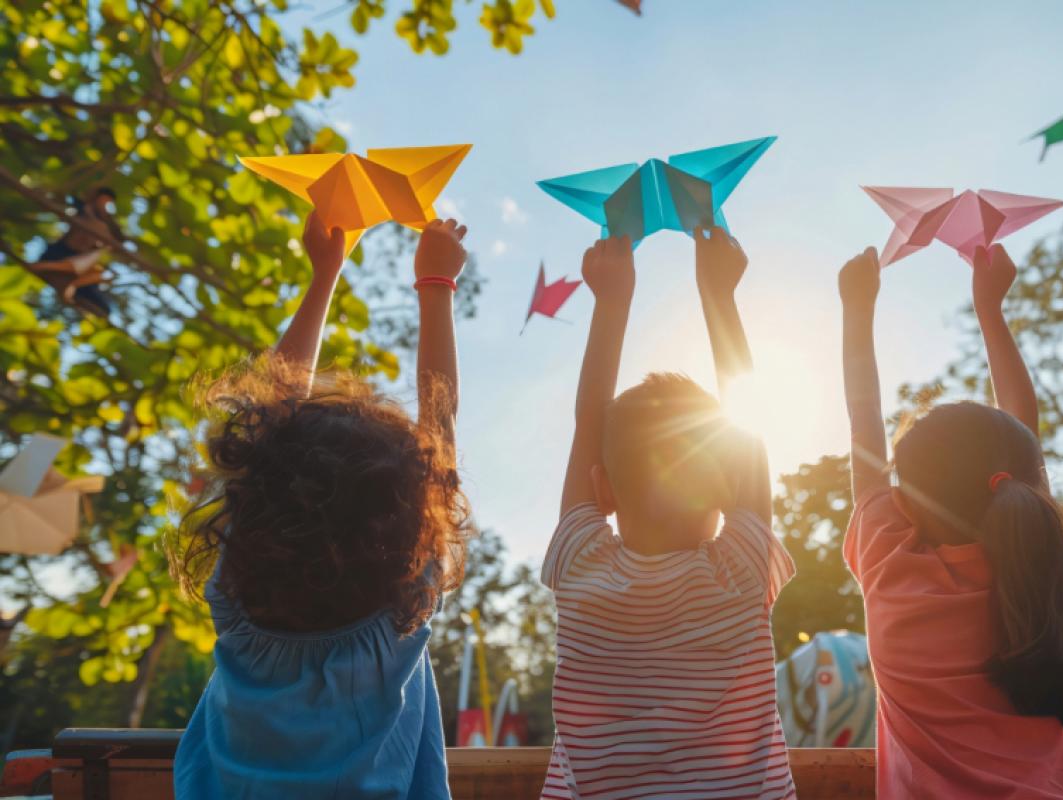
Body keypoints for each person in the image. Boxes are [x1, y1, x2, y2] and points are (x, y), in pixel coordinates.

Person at [169, 213, 473, 799]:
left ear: (257, 496)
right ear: (409, 515)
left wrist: (323, 275)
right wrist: (436, 287)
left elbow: (270, 417)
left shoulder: (234, 602)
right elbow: (442, 423)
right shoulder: (400, 611)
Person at [837, 243, 1063, 798]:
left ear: (908, 501)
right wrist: (990, 307)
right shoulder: (1037, 564)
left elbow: (864, 419)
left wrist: (857, 309)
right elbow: (1020, 440)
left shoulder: (890, 567)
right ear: (1020, 479)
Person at [540, 228, 797, 799]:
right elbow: (749, 421)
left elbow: (588, 425)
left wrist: (611, 302)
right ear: (728, 483)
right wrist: (719, 294)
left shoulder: (581, 566)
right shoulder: (742, 573)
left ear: (602, 490)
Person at [30, 186, 121, 315]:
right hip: (59, 255)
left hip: (76, 275)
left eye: (108, 203)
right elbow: (56, 201)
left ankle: (71, 286)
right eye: (103, 201)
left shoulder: (107, 225)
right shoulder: (83, 208)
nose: (104, 205)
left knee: (105, 302)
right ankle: (46, 267)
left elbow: (113, 245)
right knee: (96, 256)